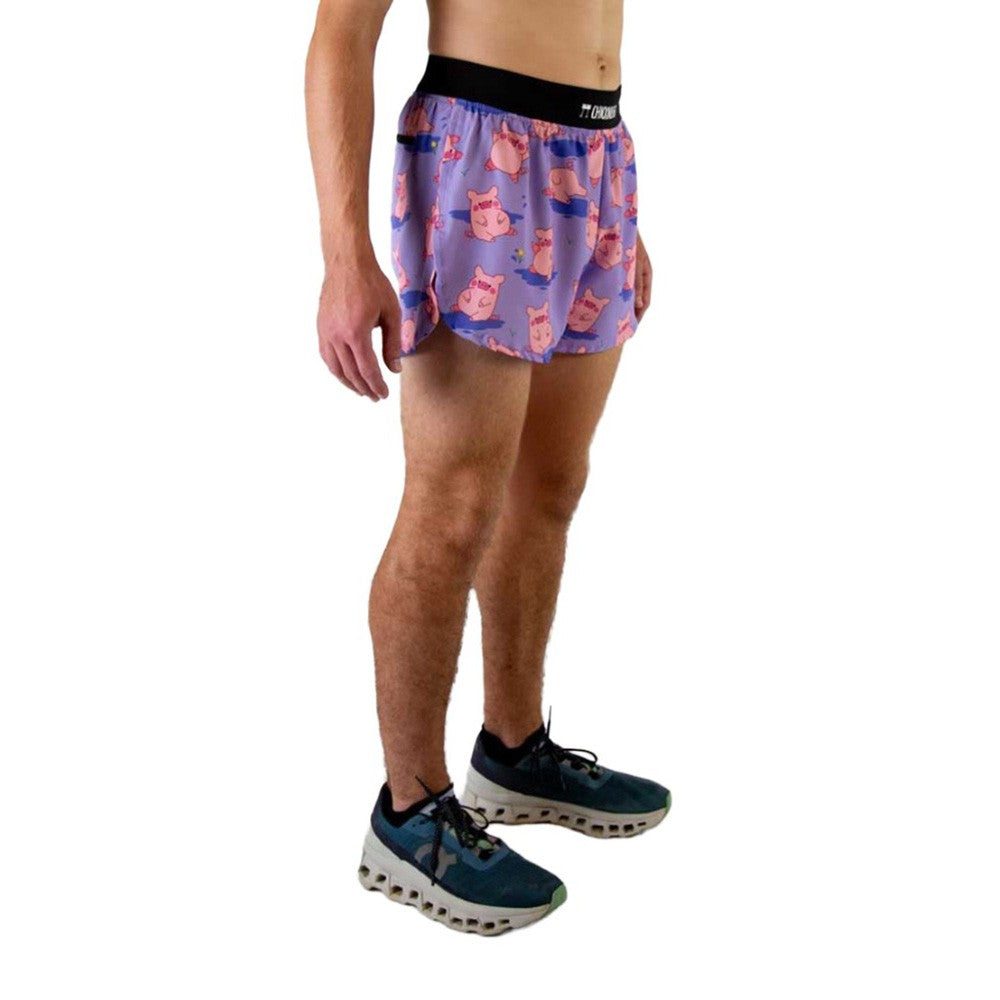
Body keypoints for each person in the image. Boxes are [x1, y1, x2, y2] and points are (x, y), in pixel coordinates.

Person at [306, 0, 669, 935]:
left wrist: (614, 208)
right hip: (485, 152)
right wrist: (345, 257)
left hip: (595, 154)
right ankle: (410, 813)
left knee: (550, 487)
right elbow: (341, 34)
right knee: (454, 505)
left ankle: (514, 752)